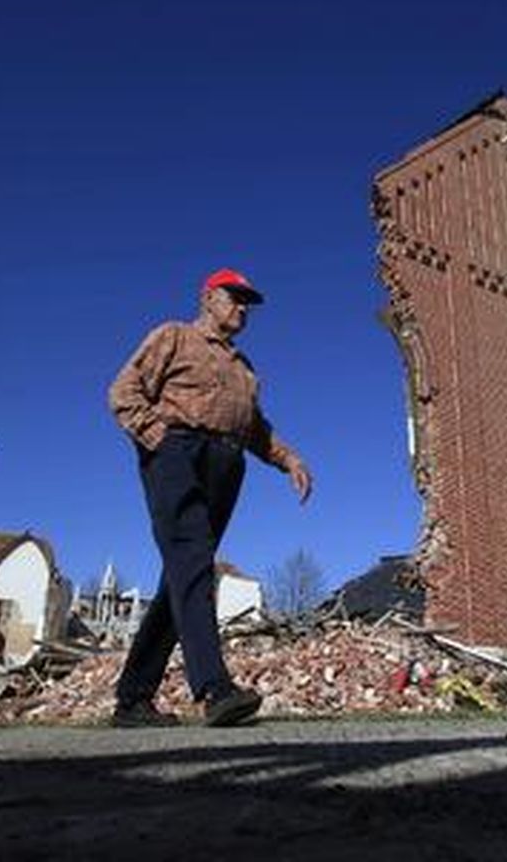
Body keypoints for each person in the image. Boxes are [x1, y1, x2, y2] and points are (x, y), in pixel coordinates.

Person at [107, 268, 312, 727]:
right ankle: (214, 688)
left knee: (183, 573)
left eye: (248, 302)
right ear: (207, 297)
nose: (242, 308)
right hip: (177, 451)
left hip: (227, 462)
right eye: (233, 297)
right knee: (193, 560)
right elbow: (123, 391)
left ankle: (133, 698)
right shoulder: (174, 336)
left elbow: (255, 428)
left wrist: (289, 460)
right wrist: (156, 436)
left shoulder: (244, 368)